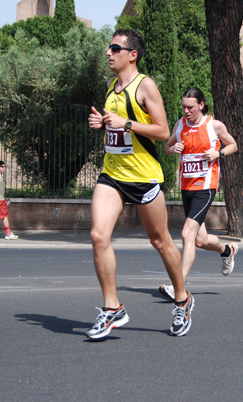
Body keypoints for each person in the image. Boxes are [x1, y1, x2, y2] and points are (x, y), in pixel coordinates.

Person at [86, 29, 192, 339]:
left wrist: (127, 123)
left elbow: (162, 132)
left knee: (160, 242)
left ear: (132, 54)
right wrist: (102, 124)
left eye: (115, 48)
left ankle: (183, 300)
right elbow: (116, 128)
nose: (109, 52)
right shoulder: (111, 87)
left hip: (144, 177)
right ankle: (112, 309)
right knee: (97, 235)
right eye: (109, 47)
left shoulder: (145, 86)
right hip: (113, 174)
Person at [157, 87, 239, 302]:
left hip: (205, 187)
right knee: (200, 240)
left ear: (201, 105)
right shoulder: (180, 125)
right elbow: (167, 147)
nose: (186, 111)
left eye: (190, 107)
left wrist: (218, 153)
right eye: (184, 107)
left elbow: (233, 145)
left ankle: (178, 287)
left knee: (187, 235)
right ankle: (227, 250)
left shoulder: (214, 125)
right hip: (187, 187)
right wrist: (172, 150)